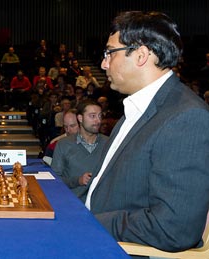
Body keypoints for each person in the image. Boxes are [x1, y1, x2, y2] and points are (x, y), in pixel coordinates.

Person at [85, 11, 209, 252]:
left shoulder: (186, 117)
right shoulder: (137, 108)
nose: (103, 63)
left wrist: (88, 222)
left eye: (110, 53)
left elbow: (174, 228)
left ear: (141, 55)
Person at [51, 100, 108, 202]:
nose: (98, 121)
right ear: (80, 118)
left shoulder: (109, 143)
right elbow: (54, 179)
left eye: (100, 116)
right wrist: (78, 180)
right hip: (73, 204)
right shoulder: (63, 145)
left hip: (102, 206)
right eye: (92, 116)